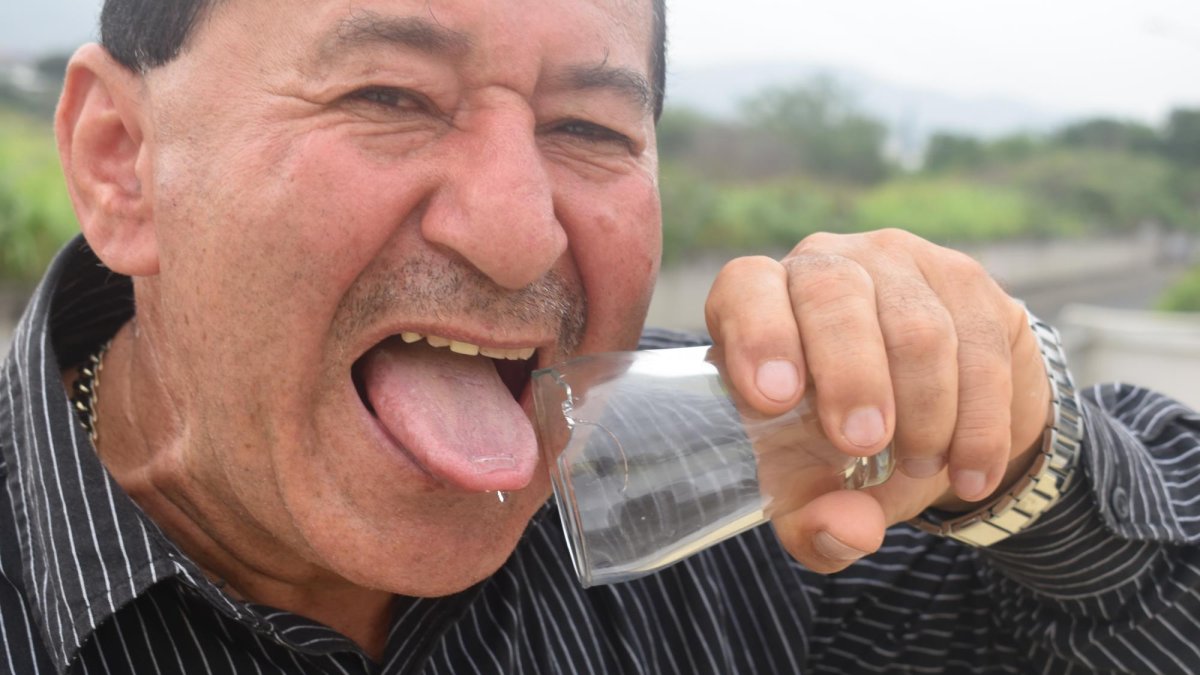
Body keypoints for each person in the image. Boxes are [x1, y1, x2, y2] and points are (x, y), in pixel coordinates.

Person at [1, 0, 1197, 672]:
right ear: (122, 162)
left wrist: (1022, 444)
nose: (518, 234)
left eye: (589, 128)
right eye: (389, 98)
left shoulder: (727, 525)